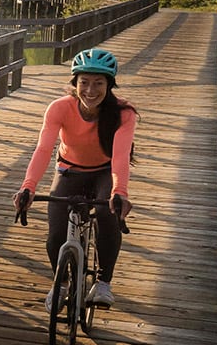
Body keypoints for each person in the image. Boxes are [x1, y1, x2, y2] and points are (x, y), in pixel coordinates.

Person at [13, 47, 137, 308]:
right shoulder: (59, 108)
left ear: (110, 85)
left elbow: (121, 156)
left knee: (107, 215)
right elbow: (44, 149)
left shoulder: (124, 113)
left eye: (99, 83)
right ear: (75, 83)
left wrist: (120, 192)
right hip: (69, 170)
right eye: (84, 83)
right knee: (56, 233)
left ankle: (103, 282)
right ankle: (62, 284)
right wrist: (28, 187)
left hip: (104, 171)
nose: (91, 90)